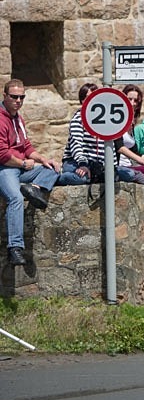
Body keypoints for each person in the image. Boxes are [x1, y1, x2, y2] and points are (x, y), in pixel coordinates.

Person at [0, 79, 60, 265]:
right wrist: (23, 163)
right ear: (5, 96)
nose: (18, 100)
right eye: (14, 97)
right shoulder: (1, 119)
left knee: (54, 168)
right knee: (15, 198)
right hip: (5, 168)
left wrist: (43, 159)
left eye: (22, 97)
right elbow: (2, 154)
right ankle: (15, 248)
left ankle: (34, 188)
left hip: (20, 167)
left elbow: (26, 146)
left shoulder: (18, 118)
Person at [57, 83, 144, 186]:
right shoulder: (79, 118)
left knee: (129, 175)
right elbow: (76, 144)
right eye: (89, 97)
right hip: (76, 162)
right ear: (83, 100)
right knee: (81, 178)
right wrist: (83, 164)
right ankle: (58, 178)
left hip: (97, 164)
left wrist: (112, 167)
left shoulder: (104, 118)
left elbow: (110, 145)